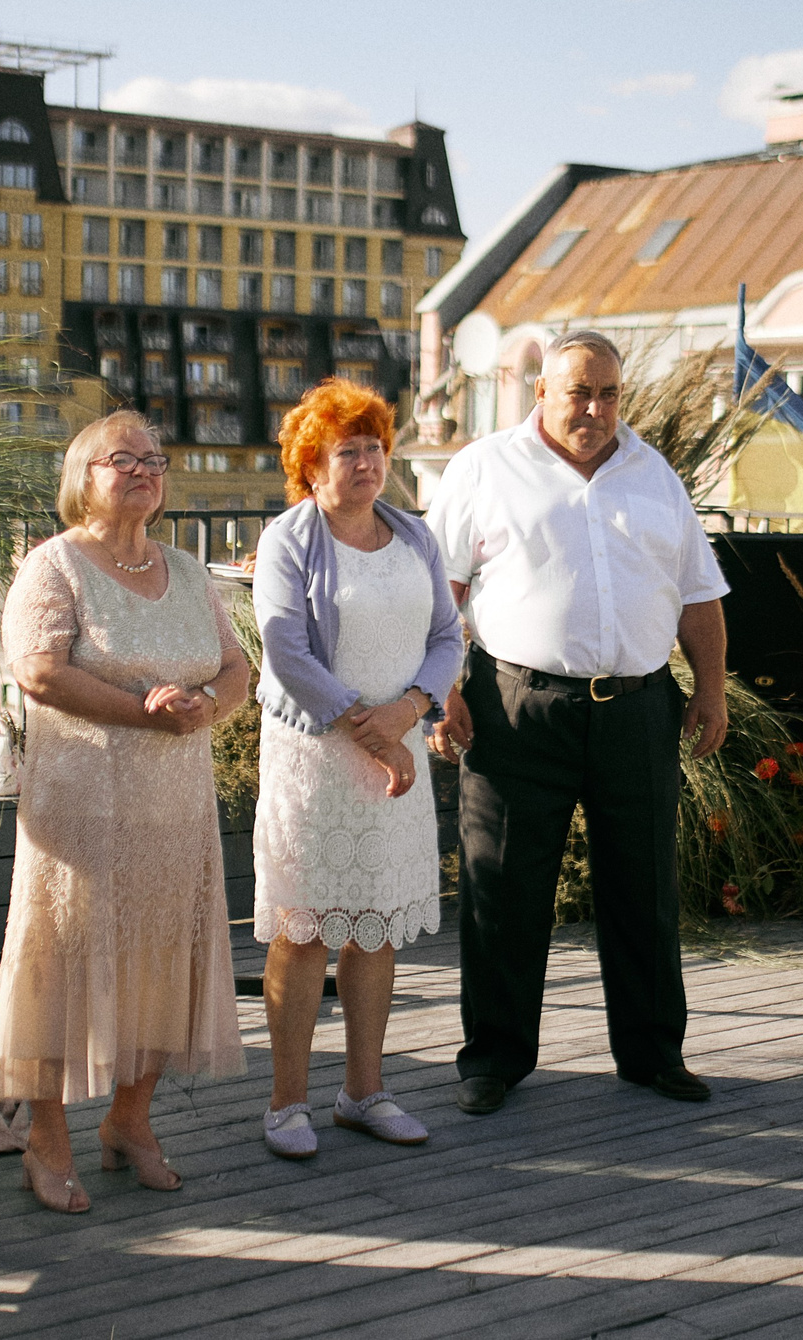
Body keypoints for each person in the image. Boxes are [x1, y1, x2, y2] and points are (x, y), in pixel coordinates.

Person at [425, 330, 729, 1116]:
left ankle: (653, 1053)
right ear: (541, 393)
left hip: (637, 710)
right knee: (504, 887)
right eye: (578, 393)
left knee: (645, 889)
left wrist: (712, 691)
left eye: (609, 394)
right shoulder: (484, 469)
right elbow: (436, 593)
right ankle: (492, 1060)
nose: (595, 409)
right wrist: (440, 690)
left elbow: (699, 593)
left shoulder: (652, 473)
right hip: (516, 708)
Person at [0, 412, 250, 1211]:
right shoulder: (54, 565)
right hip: (84, 806)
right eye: (122, 460)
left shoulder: (188, 569)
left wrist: (209, 706)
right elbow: (38, 671)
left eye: (155, 460)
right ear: (83, 475)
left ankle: (129, 1123)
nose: (142, 472)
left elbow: (237, 665)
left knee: (159, 958)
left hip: (175, 806)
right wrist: (145, 711)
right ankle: (47, 1140)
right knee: (68, 962)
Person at [250, 382, 464, 1159]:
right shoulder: (289, 539)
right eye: (349, 450)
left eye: (375, 447)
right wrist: (366, 730)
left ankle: (364, 1092)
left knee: (375, 927)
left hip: (395, 756)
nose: (368, 462)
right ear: (311, 466)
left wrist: (410, 711)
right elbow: (285, 649)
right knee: (304, 928)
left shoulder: (413, 534)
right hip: (318, 755)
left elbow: (448, 635)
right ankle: (286, 1105)